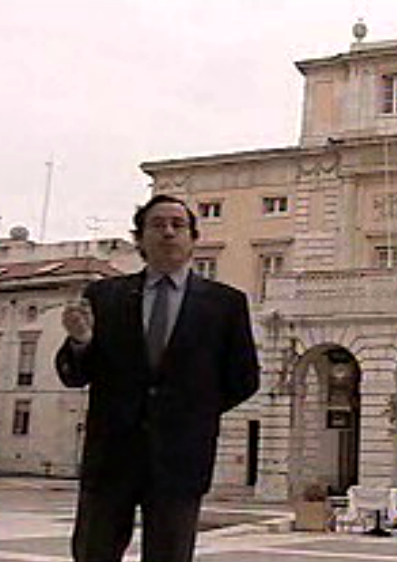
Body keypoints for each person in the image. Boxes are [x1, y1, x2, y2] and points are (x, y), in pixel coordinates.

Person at [56, 194, 260, 562]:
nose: (168, 232)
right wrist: (81, 342)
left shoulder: (226, 304)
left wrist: (192, 411)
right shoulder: (104, 296)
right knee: (93, 553)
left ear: (193, 239)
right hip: (110, 458)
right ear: (139, 239)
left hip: (181, 461)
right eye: (157, 224)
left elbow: (244, 378)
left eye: (177, 225)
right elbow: (73, 375)